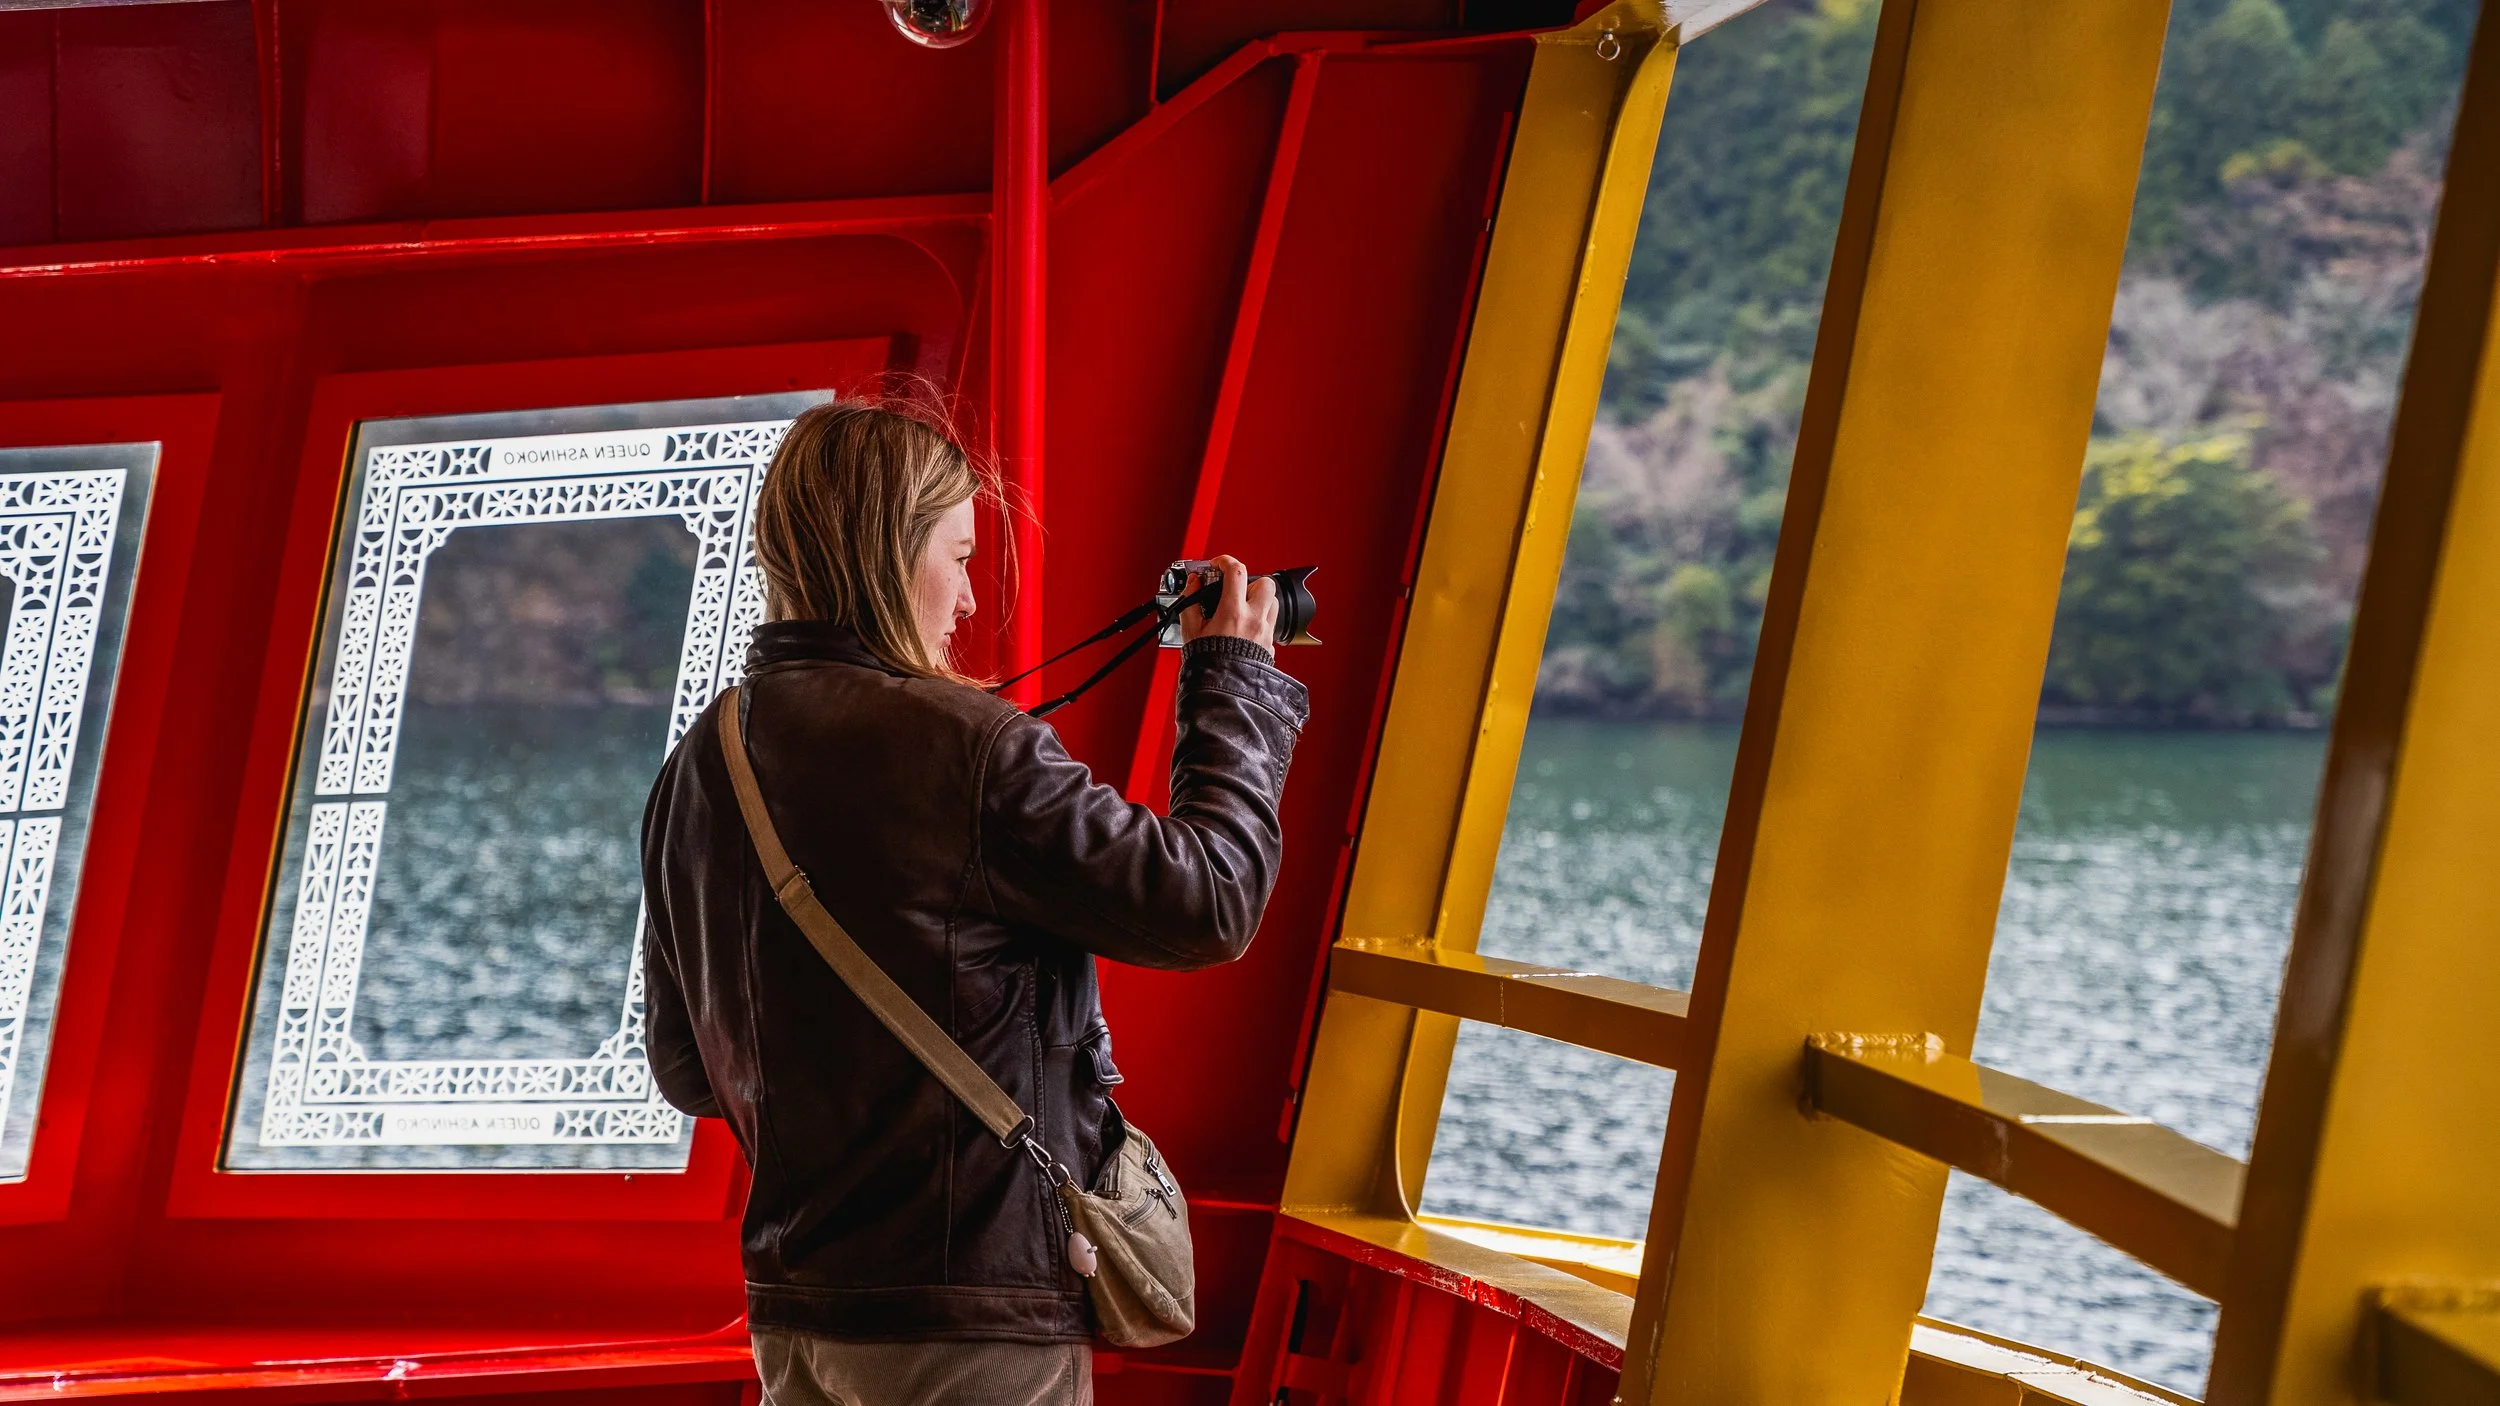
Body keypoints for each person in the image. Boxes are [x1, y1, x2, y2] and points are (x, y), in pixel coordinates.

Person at [638, 400, 1307, 1406]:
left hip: (797, 1310)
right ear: (888, 553)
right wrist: (1234, 684)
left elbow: (689, 1067)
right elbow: (1209, 900)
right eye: (956, 556)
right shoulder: (970, 745)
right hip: (968, 1321)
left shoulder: (701, 761)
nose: (962, 599)